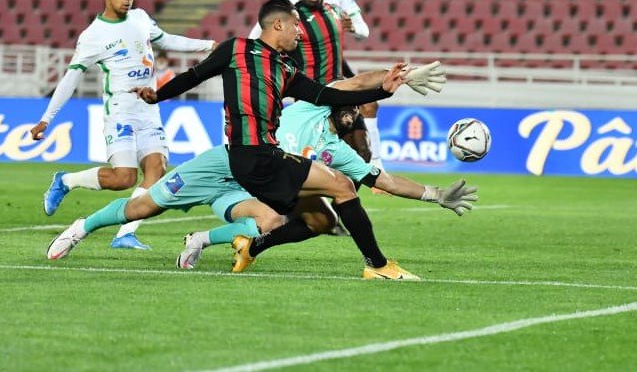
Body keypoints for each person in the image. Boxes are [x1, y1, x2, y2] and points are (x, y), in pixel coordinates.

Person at [134, 0, 428, 280]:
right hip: (252, 156)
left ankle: (249, 247)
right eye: (296, 25)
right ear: (278, 24)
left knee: (321, 220)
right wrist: (158, 95)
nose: (300, 32)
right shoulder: (236, 49)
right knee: (342, 186)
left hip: (266, 156)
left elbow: (326, 95)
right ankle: (377, 265)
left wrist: (381, 92)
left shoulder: (285, 68)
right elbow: (194, 76)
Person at [175, 68, 476, 272]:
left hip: (273, 183)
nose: (354, 110)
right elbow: (357, 84)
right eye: (351, 104)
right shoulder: (314, 104)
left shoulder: (337, 150)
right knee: (328, 192)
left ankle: (243, 247)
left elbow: (384, 180)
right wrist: (403, 76)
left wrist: (436, 194)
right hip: (242, 171)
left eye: (358, 110)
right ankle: (377, 265)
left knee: (322, 220)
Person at [29, 0, 216, 251]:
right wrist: (46, 119)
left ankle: (125, 234)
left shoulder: (141, 18)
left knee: (156, 169)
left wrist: (209, 45)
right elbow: (71, 78)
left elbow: (167, 40)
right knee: (124, 178)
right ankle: (65, 180)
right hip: (120, 112)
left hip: (149, 109)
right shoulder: (93, 35)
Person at [249, 0, 385, 172]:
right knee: (315, 144)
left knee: (369, 108)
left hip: (335, 64)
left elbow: (362, 30)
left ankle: (376, 165)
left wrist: (353, 28)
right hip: (305, 74)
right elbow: (260, 33)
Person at [45, 145, 285, 262]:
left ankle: (199, 240)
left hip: (236, 185)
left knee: (272, 218)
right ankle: (81, 228)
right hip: (212, 169)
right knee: (141, 208)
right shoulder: (297, 118)